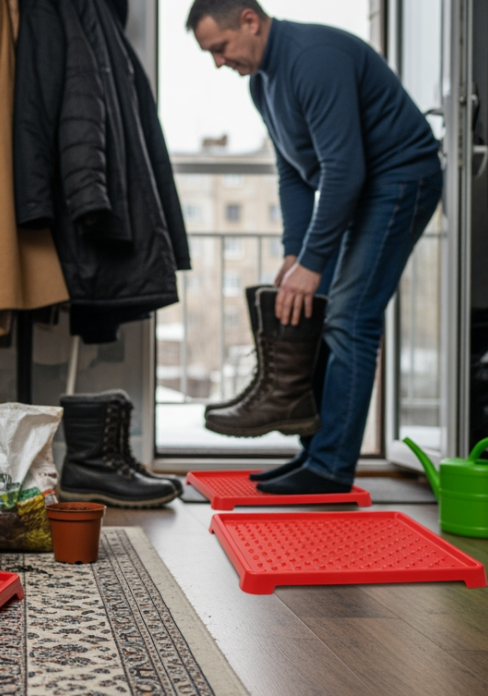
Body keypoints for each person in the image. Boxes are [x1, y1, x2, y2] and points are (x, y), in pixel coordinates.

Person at [189, 0, 442, 494]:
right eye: (209, 55)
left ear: (249, 20)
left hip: (401, 178)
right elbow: (294, 174)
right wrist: (294, 253)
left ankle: (329, 468)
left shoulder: (313, 58)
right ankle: (314, 454)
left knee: (351, 316)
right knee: (321, 310)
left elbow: (344, 170)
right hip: (365, 186)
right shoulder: (263, 84)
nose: (219, 62)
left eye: (219, 49)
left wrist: (314, 262)